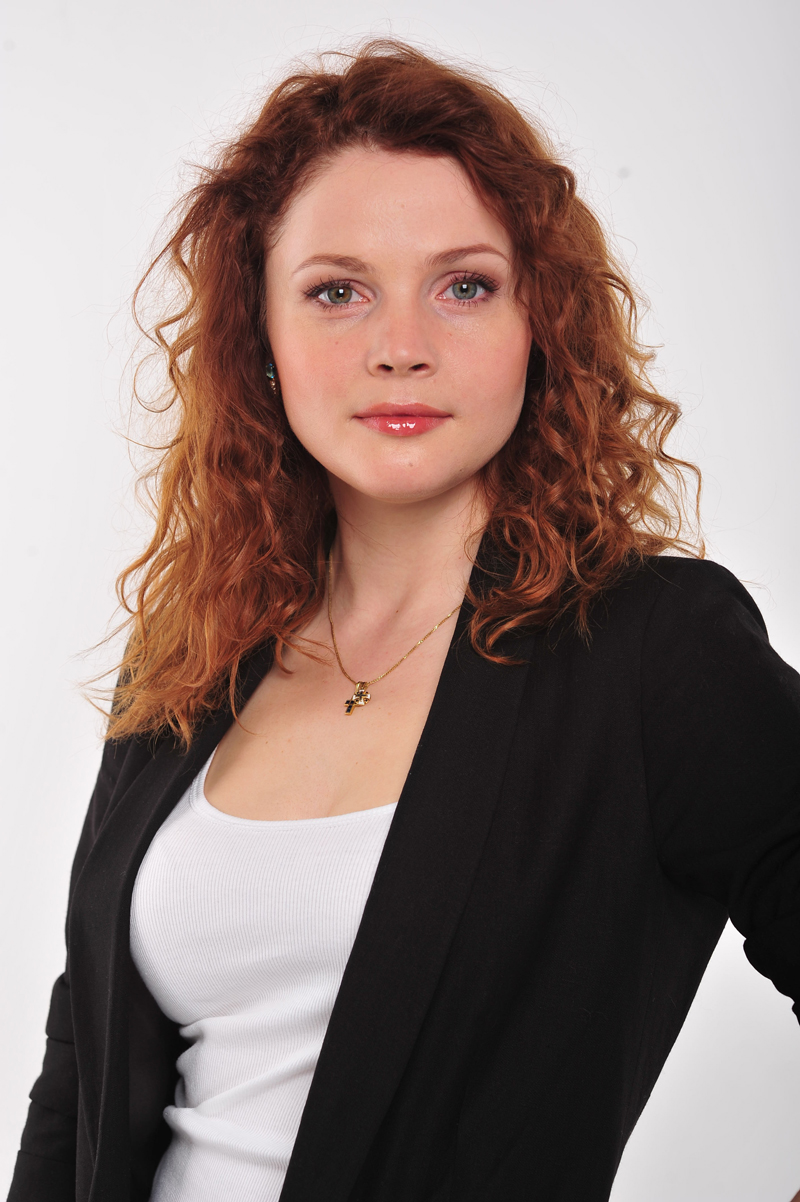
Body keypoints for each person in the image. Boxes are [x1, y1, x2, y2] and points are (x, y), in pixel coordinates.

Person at [8, 38, 799, 1202]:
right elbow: (82, 1060)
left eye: (463, 285)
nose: (399, 348)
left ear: (541, 324)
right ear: (261, 339)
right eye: (336, 290)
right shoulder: (198, 644)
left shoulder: (650, 649)